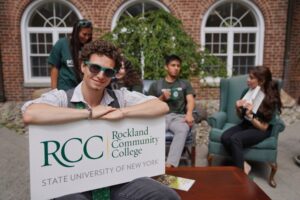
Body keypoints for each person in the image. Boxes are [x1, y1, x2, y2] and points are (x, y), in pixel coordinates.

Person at [22, 40, 180, 200]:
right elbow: (31, 113)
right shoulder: (62, 98)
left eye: (108, 72)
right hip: (71, 181)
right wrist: (89, 113)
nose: (100, 75)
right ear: (83, 66)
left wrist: (123, 112)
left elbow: (161, 106)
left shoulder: (120, 97)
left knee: (167, 195)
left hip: (116, 179)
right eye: (95, 68)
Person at [221, 66, 282, 174]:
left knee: (235, 139)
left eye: (251, 78)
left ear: (261, 81)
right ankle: (243, 164)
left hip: (261, 129)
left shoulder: (270, 98)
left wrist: (251, 116)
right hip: (246, 124)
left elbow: (264, 127)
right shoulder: (246, 91)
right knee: (225, 137)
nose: (247, 80)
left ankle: (240, 175)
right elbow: (241, 117)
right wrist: (237, 108)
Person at [148, 54, 195, 168]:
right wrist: (161, 98)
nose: (176, 68)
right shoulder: (156, 85)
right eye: (173, 65)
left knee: (183, 129)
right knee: (150, 131)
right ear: (166, 67)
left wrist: (189, 114)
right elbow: (149, 104)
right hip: (161, 117)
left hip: (178, 117)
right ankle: (155, 161)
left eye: (178, 66)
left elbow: (190, 100)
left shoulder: (184, 84)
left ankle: (170, 165)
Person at [48, 19, 93, 90]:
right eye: (84, 34)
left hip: (82, 90)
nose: (87, 37)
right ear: (76, 32)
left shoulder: (89, 47)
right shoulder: (62, 44)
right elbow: (54, 68)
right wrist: (54, 91)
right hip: (65, 89)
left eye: (89, 35)